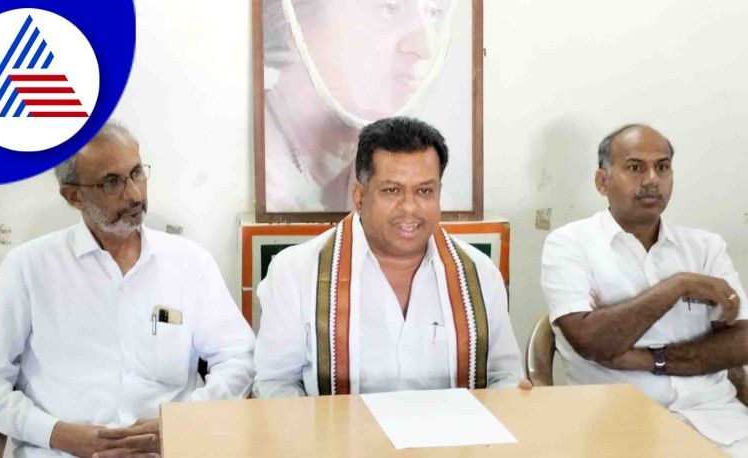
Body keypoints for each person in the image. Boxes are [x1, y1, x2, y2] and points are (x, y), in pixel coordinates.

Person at [0, 122, 256, 457]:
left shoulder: (190, 263)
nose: (135, 194)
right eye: (112, 182)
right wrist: (56, 433)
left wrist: (180, 421)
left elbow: (240, 358)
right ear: (73, 196)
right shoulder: (29, 267)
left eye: (137, 173)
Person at [253, 116, 525, 397]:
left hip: (452, 441)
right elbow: (275, 383)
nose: (409, 207)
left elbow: (504, 375)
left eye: (424, 191)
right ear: (359, 196)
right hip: (339, 439)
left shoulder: (479, 274)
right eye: (392, 190)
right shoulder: (296, 273)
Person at [540, 124, 748, 455]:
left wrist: (649, 359)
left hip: (717, 418)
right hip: (614, 423)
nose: (652, 179)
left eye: (662, 167)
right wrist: (679, 285)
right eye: (636, 167)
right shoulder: (569, 244)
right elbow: (592, 342)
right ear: (602, 181)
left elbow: (740, 343)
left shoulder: (705, 247)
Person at [263, 0, 455, 212]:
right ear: (297, 23)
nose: (424, 48)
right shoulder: (257, 178)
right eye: (389, 8)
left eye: (434, 13)